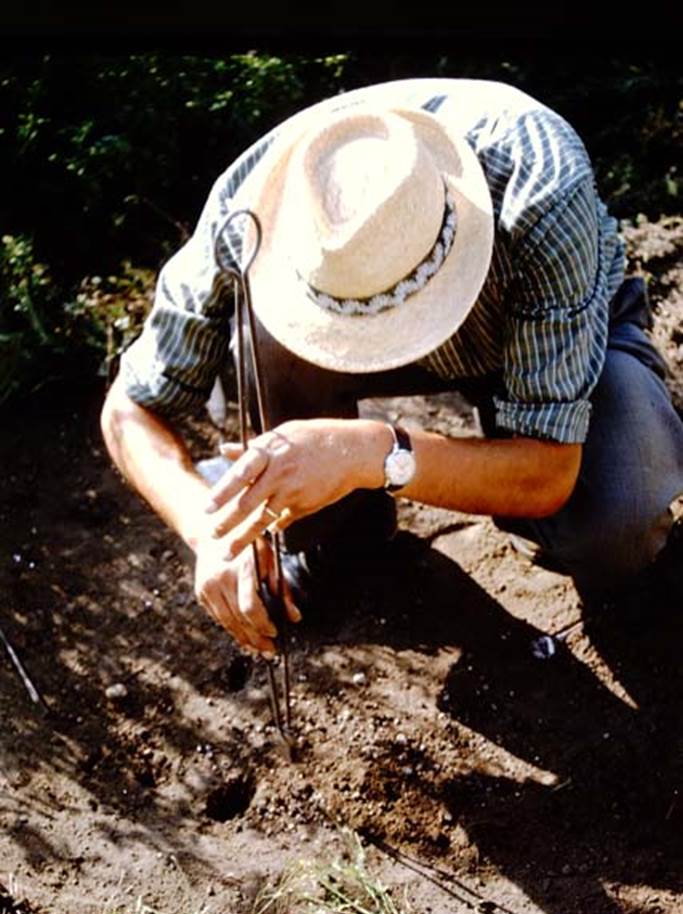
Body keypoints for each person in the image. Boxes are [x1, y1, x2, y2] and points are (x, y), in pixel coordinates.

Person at [101, 78, 683, 659]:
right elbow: (129, 410)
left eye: (411, 311)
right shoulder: (247, 217)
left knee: (616, 520)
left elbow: (549, 473)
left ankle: (524, 498)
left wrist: (372, 453)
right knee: (263, 330)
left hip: (552, 338)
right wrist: (211, 534)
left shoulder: (539, 188)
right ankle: (340, 536)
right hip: (415, 337)